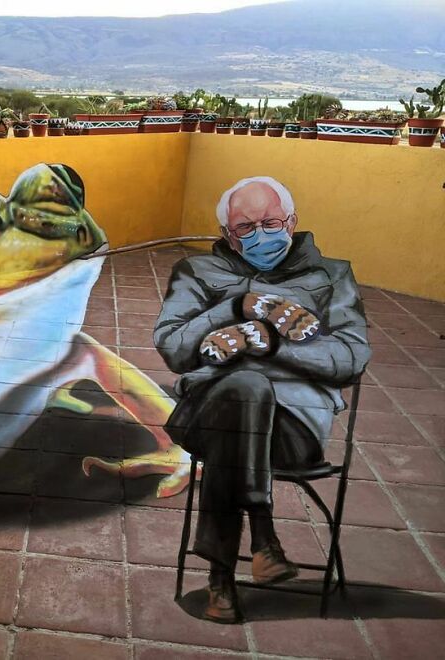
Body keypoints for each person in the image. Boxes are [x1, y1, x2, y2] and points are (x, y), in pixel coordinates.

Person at [154, 176, 370, 624]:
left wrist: (271, 345)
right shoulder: (196, 274)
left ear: (291, 222)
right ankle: (262, 537)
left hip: (292, 427)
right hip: (207, 411)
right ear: (228, 237)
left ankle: (222, 580)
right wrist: (236, 307)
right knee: (241, 395)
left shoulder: (331, 276)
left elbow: (351, 357)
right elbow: (173, 349)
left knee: (240, 410)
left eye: (270, 222)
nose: (260, 234)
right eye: (245, 228)